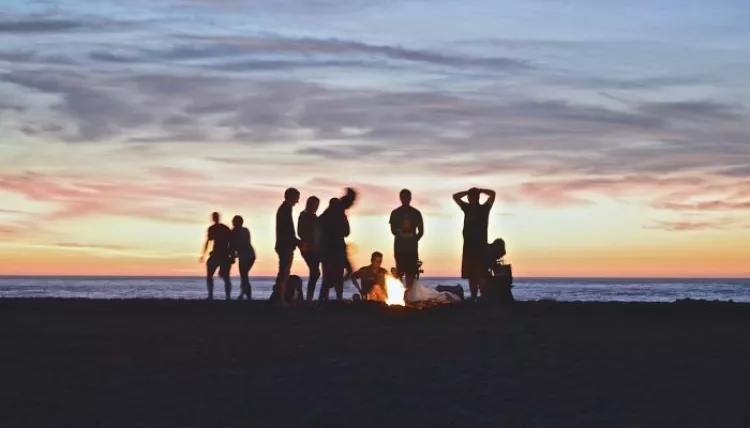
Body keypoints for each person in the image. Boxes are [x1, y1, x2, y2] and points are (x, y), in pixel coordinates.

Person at [453, 187, 496, 300]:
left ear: (477, 198)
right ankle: (473, 296)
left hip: (481, 246)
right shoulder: (466, 208)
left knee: (482, 273)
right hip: (468, 246)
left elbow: (492, 194)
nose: (469, 199)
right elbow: (455, 196)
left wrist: (481, 190)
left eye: (471, 197)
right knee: (471, 274)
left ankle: (483, 296)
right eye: (469, 197)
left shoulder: (484, 208)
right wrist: (467, 192)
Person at [319, 188, 357, 301]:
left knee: (333, 274)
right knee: (333, 275)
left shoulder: (334, 212)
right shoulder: (338, 211)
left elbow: (345, 231)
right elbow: (346, 231)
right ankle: (330, 297)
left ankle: (328, 297)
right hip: (333, 249)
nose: (352, 205)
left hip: (334, 248)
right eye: (352, 202)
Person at [389, 189, 423, 289]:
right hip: (399, 248)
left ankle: (408, 295)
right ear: (400, 198)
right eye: (403, 197)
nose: (405, 199)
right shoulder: (395, 213)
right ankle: (399, 294)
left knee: (411, 272)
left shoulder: (416, 213)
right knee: (399, 271)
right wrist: (402, 236)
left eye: (407, 197)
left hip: (411, 249)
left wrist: (413, 240)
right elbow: (393, 230)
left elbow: (421, 231)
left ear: (410, 198)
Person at [273, 188, 301, 307]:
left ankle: (279, 298)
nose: (297, 201)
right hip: (285, 246)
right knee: (284, 272)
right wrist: (298, 243)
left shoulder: (285, 209)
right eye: (296, 198)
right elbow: (288, 231)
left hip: (284, 245)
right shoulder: (285, 210)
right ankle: (280, 299)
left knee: (283, 272)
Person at [199, 212, 232, 300]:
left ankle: (226, 297)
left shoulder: (224, 228)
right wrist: (203, 254)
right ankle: (211, 295)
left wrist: (231, 255)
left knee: (225, 277)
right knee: (211, 275)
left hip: (223, 254)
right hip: (217, 254)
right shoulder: (213, 228)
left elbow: (231, 242)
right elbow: (208, 241)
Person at [298, 196, 321, 302]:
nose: (316, 207)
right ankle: (309, 298)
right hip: (308, 248)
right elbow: (300, 232)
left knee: (315, 272)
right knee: (315, 272)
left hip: (316, 249)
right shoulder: (304, 216)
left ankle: (309, 298)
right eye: (315, 205)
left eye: (317, 205)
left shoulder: (314, 217)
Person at [230, 215, 256, 300]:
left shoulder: (244, 231)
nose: (233, 223)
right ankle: (243, 294)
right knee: (244, 276)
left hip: (249, 256)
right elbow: (233, 245)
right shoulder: (233, 232)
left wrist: (234, 255)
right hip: (243, 256)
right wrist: (233, 255)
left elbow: (244, 243)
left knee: (244, 275)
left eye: (234, 221)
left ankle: (247, 295)